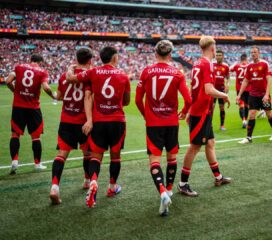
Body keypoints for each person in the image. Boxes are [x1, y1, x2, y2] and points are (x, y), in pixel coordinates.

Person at [66, 46, 131, 208]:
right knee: (115, 157)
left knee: (96, 156)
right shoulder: (123, 75)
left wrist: (69, 69)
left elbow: (72, 79)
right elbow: (127, 101)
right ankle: (111, 187)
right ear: (114, 58)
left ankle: (93, 181)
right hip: (117, 121)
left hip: (98, 121)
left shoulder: (93, 72)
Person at [136, 40, 192, 216]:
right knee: (172, 157)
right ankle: (168, 189)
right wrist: (183, 112)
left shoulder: (146, 71)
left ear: (155, 53)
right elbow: (189, 100)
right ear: (171, 54)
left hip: (153, 123)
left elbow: (138, 100)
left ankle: (161, 191)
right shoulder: (178, 73)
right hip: (171, 122)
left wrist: (146, 115)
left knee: (154, 160)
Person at [178, 36, 232, 197]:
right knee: (195, 147)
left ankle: (218, 177)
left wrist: (189, 109)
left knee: (210, 143)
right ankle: (182, 183)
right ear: (213, 49)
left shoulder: (197, 63)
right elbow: (208, 90)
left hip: (202, 111)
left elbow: (194, 89)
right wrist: (224, 95)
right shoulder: (207, 64)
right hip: (200, 112)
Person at [49, 48, 94, 205]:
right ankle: (87, 181)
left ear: (76, 59)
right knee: (87, 153)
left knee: (61, 155)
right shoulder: (88, 77)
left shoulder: (64, 76)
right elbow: (90, 97)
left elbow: (59, 97)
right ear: (90, 61)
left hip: (66, 120)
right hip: (83, 121)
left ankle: (54, 187)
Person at [5, 54, 56, 174]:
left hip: (18, 107)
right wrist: (53, 97)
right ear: (40, 62)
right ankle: (37, 164)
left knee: (15, 135)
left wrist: (15, 92)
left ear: (30, 60)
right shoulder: (42, 71)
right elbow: (46, 88)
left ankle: (14, 163)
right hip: (33, 108)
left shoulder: (18, 67)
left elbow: (8, 81)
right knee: (36, 137)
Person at [237, 47, 272, 144]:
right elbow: (245, 81)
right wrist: (239, 94)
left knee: (269, 114)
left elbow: (269, 79)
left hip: (263, 95)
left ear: (259, 53)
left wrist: (267, 94)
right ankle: (249, 138)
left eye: (255, 52)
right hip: (253, 95)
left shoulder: (264, 64)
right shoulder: (249, 66)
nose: (253, 54)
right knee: (251, 115)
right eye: (251, 52)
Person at [230, 53, 249, 128]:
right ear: (246, 59)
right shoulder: (249, 66)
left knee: (241, 105)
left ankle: (243, 120)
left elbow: (229, 69)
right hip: (248, 88)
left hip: (239, 88)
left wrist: (234, 63)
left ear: (240, 59)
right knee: (247, 105)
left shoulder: (237, 66)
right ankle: (246, 120)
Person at [213, 50, 230, 131]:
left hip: (221, 90)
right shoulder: (212, 65)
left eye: (220, 55)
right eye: (217, 55)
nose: (218, 56)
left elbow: (228, 78)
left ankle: (222, 125)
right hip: (212, 90)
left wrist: (228, 85)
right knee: (211, 108)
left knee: (222, 108)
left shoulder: (226, 66)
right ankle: (209, 125)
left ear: (223, 56)